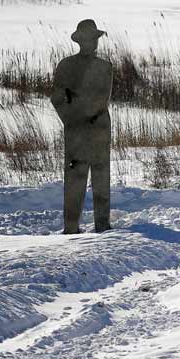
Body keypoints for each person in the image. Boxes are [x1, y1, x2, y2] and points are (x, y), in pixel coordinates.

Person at [51, 19, 114, 234]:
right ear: (80, 41)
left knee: (101, 176)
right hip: (76, 130)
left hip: (99, 129)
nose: (93, 43)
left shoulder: (105, 67)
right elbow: (58, 98)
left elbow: (103, 98)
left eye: (95, 39)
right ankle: (71, 226)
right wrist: (71, 119)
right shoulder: (66, 66)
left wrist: (91, 118)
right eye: (89, 39)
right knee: (75, 177)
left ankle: (102, 224)